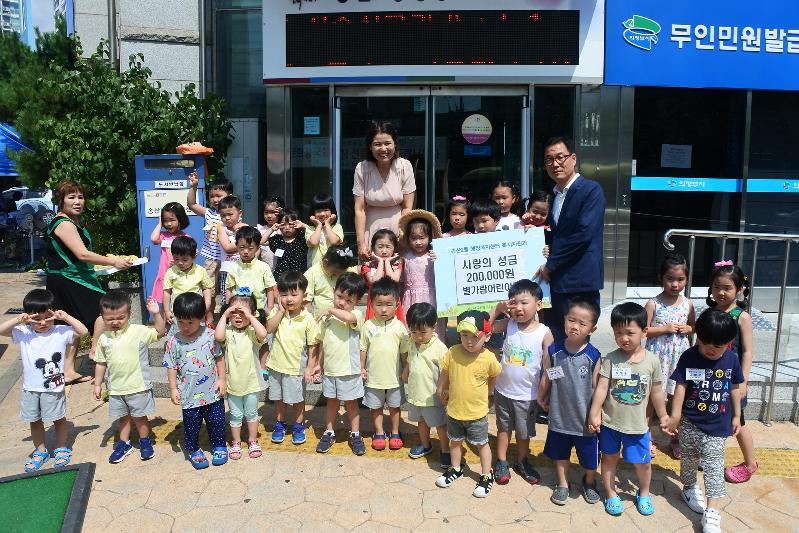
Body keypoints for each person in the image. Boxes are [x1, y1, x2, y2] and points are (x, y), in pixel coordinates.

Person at [46, 180, 132, 384]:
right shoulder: (64, 223)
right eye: (71, 197)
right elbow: (82, 254)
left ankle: (68, 371)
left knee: (69, 324)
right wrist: (113, 261)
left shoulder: (72, 221)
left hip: (70, 277)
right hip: (69, 278)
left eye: (80, 197)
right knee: (104, 310)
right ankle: (95, 351)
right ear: (61, 200)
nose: (77, 201)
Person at [588, 302, 669, 517]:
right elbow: (602, 388)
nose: (624, 338)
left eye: (630, 333)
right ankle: (611, 493)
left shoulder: (652, 361)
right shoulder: (610, 359)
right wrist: (594, 413)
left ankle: (644, 493)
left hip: (638, 426)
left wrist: (663, 415)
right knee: (609, 459)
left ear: (644, 331)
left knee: (642, 463)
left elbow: (657, 392)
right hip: (610, 423)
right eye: (618, 333)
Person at [667, 308, 744, 533]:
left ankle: (712, 511)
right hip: (690, 422)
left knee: (713, 465)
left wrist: (737, 415)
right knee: (688, 459)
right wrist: (675, 415)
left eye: (717, 346)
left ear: (729, 343)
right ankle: (689, 488)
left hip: (718, 425)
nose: (710, 349)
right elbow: (680, 386)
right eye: (704, 342)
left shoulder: (731, 360)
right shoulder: (689, 356)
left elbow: (735, 387)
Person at [0, 289, 88, 472]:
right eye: (36, 318)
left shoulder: (60, 331)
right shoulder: (24, 332)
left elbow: (83, 331)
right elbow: (2, 331)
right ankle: (40, 451)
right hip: (31, 388)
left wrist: (66, 317)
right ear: (28, 316)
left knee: (58, 419)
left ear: (54, 313)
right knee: (35, 420)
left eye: (48, 317)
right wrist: (18, 320)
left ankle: (61, 448)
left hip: (54, 388)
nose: (42, 322)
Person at [535, 136, 605, 343]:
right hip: (556, 283)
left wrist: (551, 264)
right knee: (556, 339)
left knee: (577, 342)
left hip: (579, 282)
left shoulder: (590, 190)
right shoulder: (555, 195)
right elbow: (557, 234)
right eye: (549, 160)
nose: (555, 164)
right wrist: (533, 230)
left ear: (573, 159)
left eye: (560, 157)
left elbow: (583, 234)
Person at [538, 298, 602, 506]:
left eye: (582, 323)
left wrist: (596, 414)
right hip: (559, 416)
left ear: (592, 329)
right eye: (571, 320)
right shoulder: (554, 350)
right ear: (564, 320)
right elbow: (548, 375)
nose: (575, 326)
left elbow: (597, 388)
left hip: (585, 421)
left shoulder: (593, 356)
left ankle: (589, 481)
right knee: (560, 453)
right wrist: (541, 395)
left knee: (590, 457)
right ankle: (563, 483)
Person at [489, 280, 553, 486]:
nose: (518, 308)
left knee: (524, 433)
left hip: (528, 395)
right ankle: (501, 461)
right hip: (503, 392)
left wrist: (544, 393)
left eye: (524, 303)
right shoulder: (509, 324)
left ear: (538, 305)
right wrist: (496, 310)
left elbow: (548, 366)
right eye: (513, 303)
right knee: (503, 428)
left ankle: (522, 461)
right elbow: (486, 328)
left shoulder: (544, 332)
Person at [435, 310, 501, 498]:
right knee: (455, 442)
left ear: (487, 336)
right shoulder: (453, 352)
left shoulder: (488, 357)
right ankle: (456, 468)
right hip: (455, 410)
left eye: (474, 336)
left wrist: (489, 392)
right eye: (464, 335)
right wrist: (440, 389)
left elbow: (494, 375)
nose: (469, 341)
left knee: (482, 444)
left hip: (477, 414)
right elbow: (445, 372)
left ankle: (486, 474)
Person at [93, 290, 165, 464]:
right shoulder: (104, 338)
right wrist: (97, 384)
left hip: (138, 386)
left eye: (121, 317)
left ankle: (145, 441)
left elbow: (160, 331)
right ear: (102, 317)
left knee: (140, 418)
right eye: (110, 319)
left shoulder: (138, 331)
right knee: (123, 418)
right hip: (116, 388)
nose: (115, 322)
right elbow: (101, 362)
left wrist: (156, 313)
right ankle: (124, 443)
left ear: (129, 314)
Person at [705, 262, 758, 484]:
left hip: (733, 380)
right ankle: (707, 454)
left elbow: (747, 351)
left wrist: (743, 380)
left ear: (739, 289)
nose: (721, 292)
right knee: (710, 416)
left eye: (727, 288)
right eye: (717, 287)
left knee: (739, 421)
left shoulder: (741, 317)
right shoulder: (709, 314)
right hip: (710, 378)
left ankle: (750, 464)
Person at [163, 292, 227, 469]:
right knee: (191, 425)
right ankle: (193, 449)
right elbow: (171, 366)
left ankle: (219, 446)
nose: (185, 326)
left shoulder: (210, 335)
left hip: (212, 393)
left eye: (190, 322)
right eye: (180, 322)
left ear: (201, 318)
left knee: (217, 422)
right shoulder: (174, 342)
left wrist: (222, 379)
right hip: (189, 395)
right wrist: (173, 388)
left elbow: (219, 358)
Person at [313, 272, 369, 456]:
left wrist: (330, 310)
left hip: (349, 371)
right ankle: (329, 432)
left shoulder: (356, 314)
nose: (342, 302)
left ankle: (355, 434)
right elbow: (323, 343)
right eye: (339, 296)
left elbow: (349, 318)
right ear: (333, 291)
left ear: (357, 302)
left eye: (349, 300)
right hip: (330, 371)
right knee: (331, 402)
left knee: (352, 404)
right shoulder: (327, 318)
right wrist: (318, 364)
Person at [645, 252, 695, 458]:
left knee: (676, 398)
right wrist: (664, 328)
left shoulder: (687, 304)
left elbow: (693, 326)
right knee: (651, 397)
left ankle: (676, 438)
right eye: (670, 279)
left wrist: (688, 329)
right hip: (657, 357)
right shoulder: (653, 303)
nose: (675, 284)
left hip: (679, 357)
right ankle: (646, 437)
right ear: (661, 278)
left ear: (687, 279)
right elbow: (643, 330)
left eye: (680, 279)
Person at [266, 271, 321, 446]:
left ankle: (298, 425)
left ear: (304, 295)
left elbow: (313, 345)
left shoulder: (308, 319)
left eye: (294, 294)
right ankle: (280, 424)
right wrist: (280, 311)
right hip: (276, 365)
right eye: (284, 294)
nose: (289, 299)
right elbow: (269, 328)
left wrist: (310, 367)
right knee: (278, 399)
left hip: (296, 368)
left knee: (298, 400)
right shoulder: (277, 312)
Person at [353, 121, 416, 260]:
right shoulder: (362, 168)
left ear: (395, 144)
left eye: (387, 143)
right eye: (377, 144)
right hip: (370, 228)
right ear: (370, 146)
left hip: (397, 229)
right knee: (370, 270)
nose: (383, 149)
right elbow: (359, 209)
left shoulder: (405, 166)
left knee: (397, 270)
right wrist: (361, 242)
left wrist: (402, 232)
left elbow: (407, 207)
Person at [215, 293, 267, 460]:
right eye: (234, 312)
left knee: (251, 413)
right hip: (233, 384)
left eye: (242, 312)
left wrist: (250, 317)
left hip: (251, 383)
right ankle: (236, 442)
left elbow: (263, 334)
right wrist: (224, 315)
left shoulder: (252, 332)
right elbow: (218, 336)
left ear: (252, 314)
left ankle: (252, 440)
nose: (238, 316)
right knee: (236, 415)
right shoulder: (228, 332)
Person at [360, 278, 409, 452]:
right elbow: (363, 348)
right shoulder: (367, 326)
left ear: (396, 305)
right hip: (374, 378)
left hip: (395, 378)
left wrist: (406, 369)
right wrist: (361, 367)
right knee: (376, 407)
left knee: (395, 407)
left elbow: (404, 352)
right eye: (379, 304)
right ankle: (379, 432)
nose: (383, 309)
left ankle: (395, 432)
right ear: (371, 304)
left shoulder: (400, 327)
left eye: (389, 305)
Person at [404, 303, 450, 466]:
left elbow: (446, 372)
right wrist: (406, 370)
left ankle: (445, 450)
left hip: (433, 398)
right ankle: (425, 445)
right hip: (416, 395)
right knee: (421, 422)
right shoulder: (411, 342)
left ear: (434, 326)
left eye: (423, 332)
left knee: (440, 425)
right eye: (414, 332)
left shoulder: (440, 348)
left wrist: (445, 390)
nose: (418, 336)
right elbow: (410, 359)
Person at [187, 172, 234, 297]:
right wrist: (193, 187)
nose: (215, 199)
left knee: (229, 291)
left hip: (229, 259)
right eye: (211, 196)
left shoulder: (233, 215)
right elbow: (192, 204)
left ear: (230, 197)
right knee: (209, 291)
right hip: (211, 258)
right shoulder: (209, 213)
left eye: (219, 196)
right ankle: (209, 310)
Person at [398, 210, 444, 336]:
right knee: (411, 326)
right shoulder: (405, 256)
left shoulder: (433, 255)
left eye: (422, 238)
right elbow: (400, 280)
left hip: (431, 298)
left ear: (430, 238)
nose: (418, 242)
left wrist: (438, 261)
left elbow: (443, 275)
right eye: (414, 238)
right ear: (408, 238)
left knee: (431, 328)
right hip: (410, 299)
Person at [224, 225, 277, 325]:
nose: (246, 251)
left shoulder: (263, 267)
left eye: (250, 248)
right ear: (236, 246)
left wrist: (269, 308)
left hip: (258, 311)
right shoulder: (233, 267)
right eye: (242, 247)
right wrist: (228, 307)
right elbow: (229, 289)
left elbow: (270, 289)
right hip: (238, 312)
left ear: (257, 247)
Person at [162, 236, 214, 330]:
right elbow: (167, 292)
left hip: (196, 309)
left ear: (193, 257)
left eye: (185, 260)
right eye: (176, 259)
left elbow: (206, 288)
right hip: (178, 311)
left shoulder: (200, 270)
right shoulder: (170, 272)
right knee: (179, 331)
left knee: (197, 331)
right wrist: (166, 310)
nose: (180, 263)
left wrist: (207, 305)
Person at [149, 202, 190, 304]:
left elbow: (193, 256)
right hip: (165, 274)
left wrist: (178, 263)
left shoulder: (186, 238)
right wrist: (159, 223)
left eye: (172, 220)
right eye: (165, 221)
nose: (168, 224)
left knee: (180, 303)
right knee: (165, 304)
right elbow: (153, 239)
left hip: (179, 276)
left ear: (180, 219)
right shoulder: (163, 236)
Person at [360, 229, 404, 322]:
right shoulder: (368, 265)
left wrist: (387, 262)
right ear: (373, 248)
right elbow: (374, 281)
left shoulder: (396, 264)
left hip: (392, 303)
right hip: (375, 304)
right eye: (380, 247)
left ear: (394, 249)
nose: (384, 251)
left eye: (388, 247)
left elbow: (394, 280)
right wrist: (380, 262)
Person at [304, 244, 358, 314]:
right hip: (322, 316)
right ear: (325, 262)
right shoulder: (312, 274)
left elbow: (358, 269)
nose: (337, 275)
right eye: (335, 272)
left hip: (343, 315)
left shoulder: (344, 270)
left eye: (341, 273)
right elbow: (306, 302)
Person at [215, 195, 248, 305]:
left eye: (230, 214)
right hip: (227, 270)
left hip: (244, 269)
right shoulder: (222, 229)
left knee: (244, 296)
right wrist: (243, 244)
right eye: (223, 215)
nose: (227, 218)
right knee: (227, 299)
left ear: (240, 213)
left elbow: (253, 245)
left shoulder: (245, 227)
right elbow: (227, 248)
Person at [306, 193, 343, 266]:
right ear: (313, 213)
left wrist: (327, 225)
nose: (322, 214)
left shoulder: (337, 227)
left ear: (332, 212)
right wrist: (319, 226)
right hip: (315, 268)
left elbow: (334, 242)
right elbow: (313, 242)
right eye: (318, 211)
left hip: (333, 267)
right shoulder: (310, 228)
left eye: (326, 210)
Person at [268, 209, 308, 277]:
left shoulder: (301, 237)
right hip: (280, 277)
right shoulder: (278, 239)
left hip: (298, 277)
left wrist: (303, 225)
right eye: (283, 224)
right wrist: (271, 229)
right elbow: (261, 241)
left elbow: (313, 235)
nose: (287, 228)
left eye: (290, 224)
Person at [257, 195, 285, 269]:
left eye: (273, 212)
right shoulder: (260, 229)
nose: (269, 216)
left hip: (282, 269)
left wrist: (284, 214)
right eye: (266, 212)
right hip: (265, 269)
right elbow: (260, 242)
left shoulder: (284, 228)